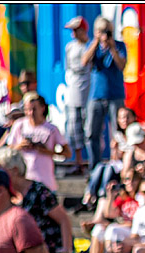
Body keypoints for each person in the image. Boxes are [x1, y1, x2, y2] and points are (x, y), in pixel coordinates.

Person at [84, 16, 127, 166]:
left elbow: (122, 65)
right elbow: (84, 62)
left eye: (107, 31)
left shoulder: (119, 46)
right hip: (96, 95)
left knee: (118, 132)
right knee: (91, 132)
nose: (105, 34)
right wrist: (96, 42)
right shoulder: (92, 45)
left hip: (115, 94)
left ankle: (118, 164)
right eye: (101, 31)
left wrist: (112, 48)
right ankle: (94, 166)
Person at [4, 93, 69, 192]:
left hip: (46, 181)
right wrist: (20, 145)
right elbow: (8, 150)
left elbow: (67, 153)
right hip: (24, 180)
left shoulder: (51, 129)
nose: (31, 113)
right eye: (27, 110)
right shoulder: (19, 125)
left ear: (42, 108)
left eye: (34, 109)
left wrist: (48, 152)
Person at [83, 168, 139, 253]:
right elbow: (109, 214)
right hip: (121, 230)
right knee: (98, 229)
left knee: (112, 229)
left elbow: (138, 224)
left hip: (134, 232)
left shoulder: (140, 198)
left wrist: (116, 225)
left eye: (134, 179)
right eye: (127, 179)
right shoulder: (124, 197)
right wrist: (111, 196)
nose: (130, 182)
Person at [81, 106, 136, 210]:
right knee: (100, 166)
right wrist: (114, 150)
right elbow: (114, 159)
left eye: (127, 117)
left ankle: (102, 193)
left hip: (129, 166)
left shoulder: (136, 133)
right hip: (118, 165)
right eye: (122, 118)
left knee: (109, 169)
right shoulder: (118, 135)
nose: (125, 120)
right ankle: (89, 193)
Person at [62, 16, 92, 175]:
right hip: (72, 90)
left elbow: (86, 64)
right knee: (74, 127)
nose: (73, 34)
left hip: (86, 91)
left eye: (76, 30)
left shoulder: (89, 47)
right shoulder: (70, 47)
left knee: (88, 127)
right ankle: (78, 161)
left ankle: (90, 161)